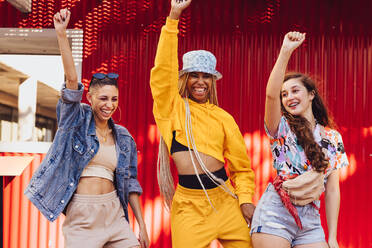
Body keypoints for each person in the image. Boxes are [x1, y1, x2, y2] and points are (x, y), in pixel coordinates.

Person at [24, 9, 149, 248]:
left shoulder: (123, 137)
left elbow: (130, 182)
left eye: (114, 99)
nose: (109, 105)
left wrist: (141, 224)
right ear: (89, 98)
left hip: (114, 214)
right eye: (103, 98)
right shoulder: (76, 120)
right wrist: (61, 35)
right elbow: (72, 83)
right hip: (82, 217)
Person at [150, 0, 256, 247]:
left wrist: (246, 199)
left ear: (213, 81)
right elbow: (163, 72)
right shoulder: (172, 108)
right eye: (194, 76)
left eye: (206, 76)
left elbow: (241, 168)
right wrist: (173, 18)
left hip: (226, 200)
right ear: (184, 79)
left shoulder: (224, 117)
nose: (200, 82)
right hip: (189, 207)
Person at [250, 31, 349, 248]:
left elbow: (332, 189)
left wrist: (332, 237)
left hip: (310, 221)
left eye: (295, 91)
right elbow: (270, 95)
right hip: (275, 214)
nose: (289, 97)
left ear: (311, 94)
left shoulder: (332, 137)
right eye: (284, 94)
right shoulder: (281, 127)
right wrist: (285, 52)